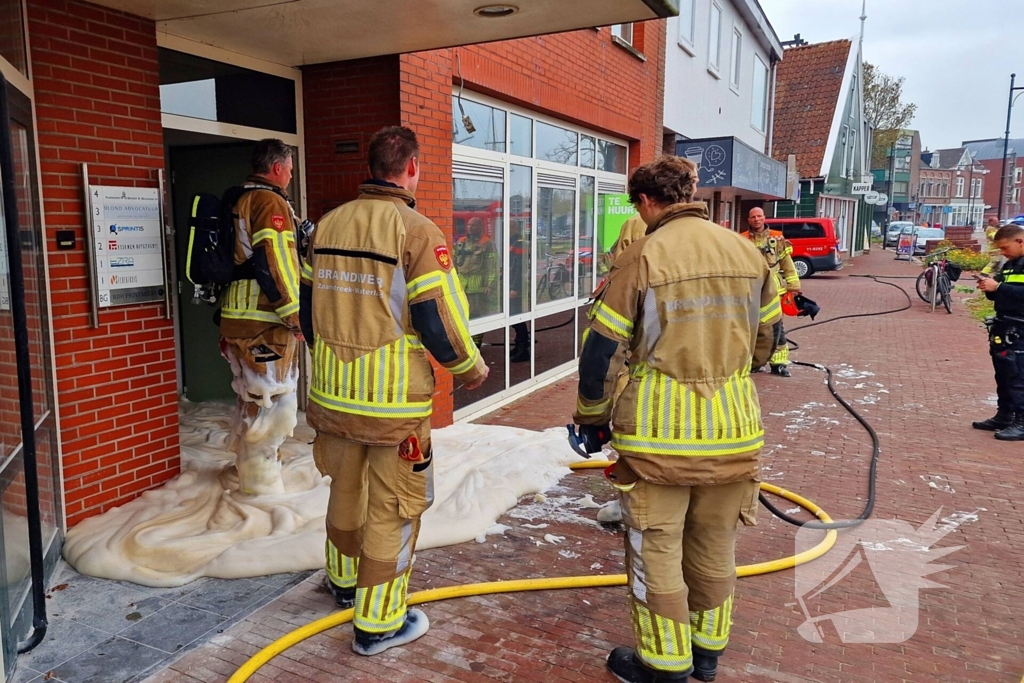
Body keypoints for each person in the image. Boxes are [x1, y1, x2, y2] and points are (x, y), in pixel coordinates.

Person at [573, 155, 780, 683]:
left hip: (659, 438)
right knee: (715, 540)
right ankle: (708, 651)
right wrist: (731, 372)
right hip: (735, 430)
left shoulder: (642, 256)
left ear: (646, 202)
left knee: (657, 542)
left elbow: (601, 351)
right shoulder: (748, 252)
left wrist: (593, 419)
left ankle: (663, 663)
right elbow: (769, 340)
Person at [299, 126, 488, 656]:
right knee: (393, 509)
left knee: (344, 491)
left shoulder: (328, 225)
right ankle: (378, 623)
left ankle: (341, 583)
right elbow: (436, 320)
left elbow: (308, 310)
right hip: (391, 408)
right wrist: (470, 370)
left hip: (333, 398)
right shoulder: (418, 231)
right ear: (411, 168)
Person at [219, 138, 304, 496]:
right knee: (275, 402)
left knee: (251, 399)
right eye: (289, 168)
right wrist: (294, 314)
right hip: (265, 321)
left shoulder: (238, 198)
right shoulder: (269, 201)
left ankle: (246, 474)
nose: (290, 175)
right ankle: (262, 494)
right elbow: (277, 260)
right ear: (277, 168)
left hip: (234, 316)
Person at [974, 224, 1024, 440]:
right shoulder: (1010, 265)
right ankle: (1005, 415)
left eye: (1005, 248)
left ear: (1020, 241)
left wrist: (999, 288)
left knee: (1018, 376)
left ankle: (1022, 422)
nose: (1003, 253)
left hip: (1022, 329)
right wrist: (989, 288)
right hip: (1004, 326)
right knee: (1003, 374)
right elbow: (1002, 293)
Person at [745, 207, 800, 377]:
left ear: (764, 217)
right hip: (751, 291)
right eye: (753, 217)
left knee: (777, 328)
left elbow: (787, 265)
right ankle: (755, 361)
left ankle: (779, 363)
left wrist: (794, 286)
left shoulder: (777, 238)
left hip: (774, 291)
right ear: (749, 220)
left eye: (759, 216)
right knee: (751, 329)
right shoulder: (742, 240)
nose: (756, 219)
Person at [455, 216, 499, 320]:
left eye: (473, 225)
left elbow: (492, 266)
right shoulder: (461, 241)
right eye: (469, 224)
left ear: (480, 227)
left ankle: (477, 337)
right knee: (460, 312)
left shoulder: (487, 243)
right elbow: (453, 261)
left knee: (476, 314)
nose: (470, 227)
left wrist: (489, 285)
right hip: (461, 284)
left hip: (478, 287)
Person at [509, 219, 530, 363]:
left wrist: (515, 287)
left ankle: (524, 348)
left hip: (516, 286)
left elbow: (519, 267)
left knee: (516, 316)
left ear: (515, 227)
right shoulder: (510, 241)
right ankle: (519, 344)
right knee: (512, 316)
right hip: (509, 284)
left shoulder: (520, 242)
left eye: (509, 226)